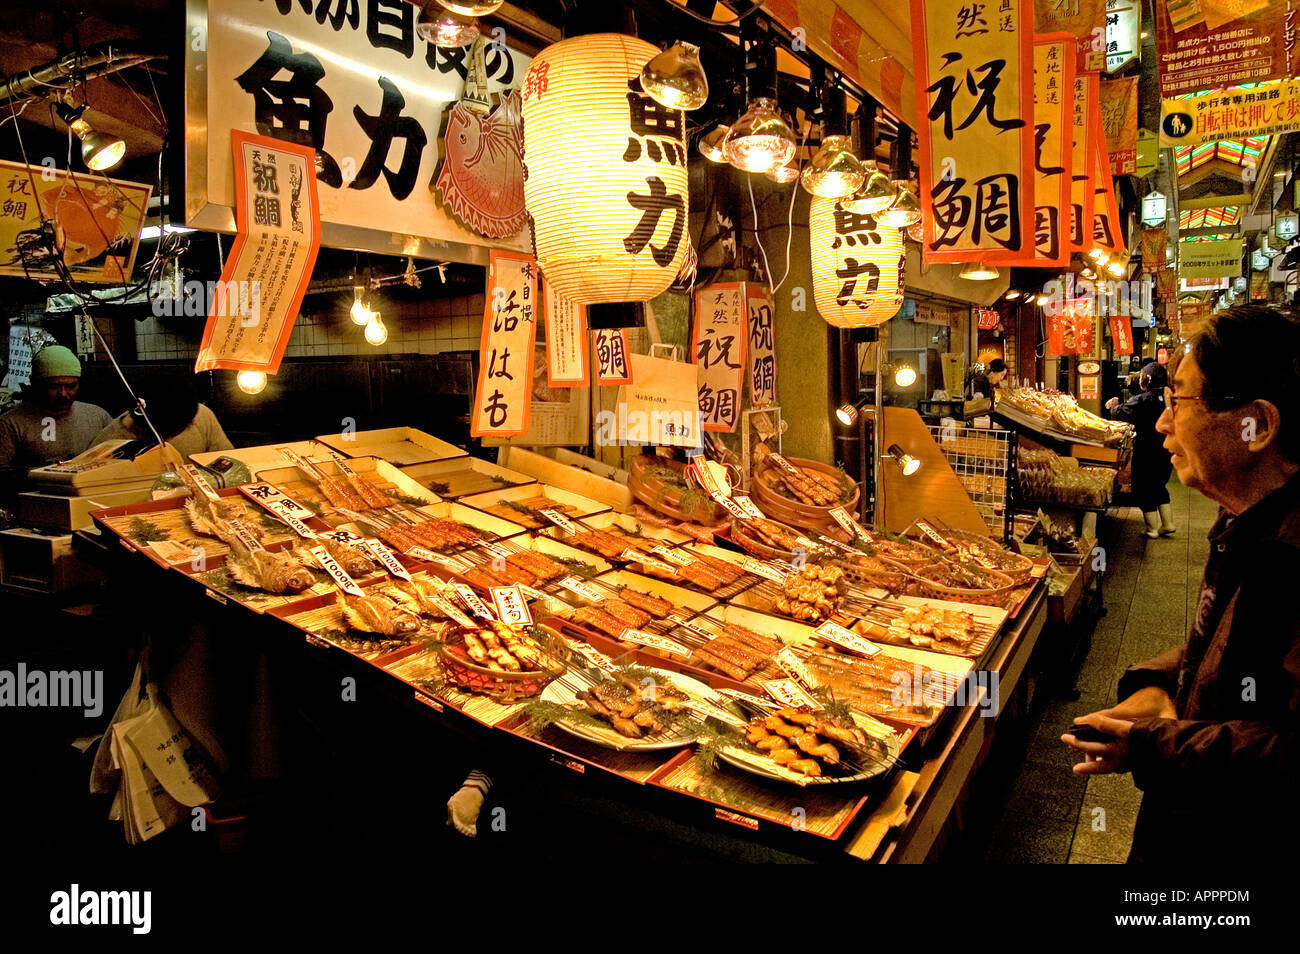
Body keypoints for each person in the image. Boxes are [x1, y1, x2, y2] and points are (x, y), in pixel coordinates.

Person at [1063, 304, 1300, 864]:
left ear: (1257, 425)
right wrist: (1163, 685)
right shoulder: (1249, 519)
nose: (1164, 423)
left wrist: (1151, 744)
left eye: (1178, 401)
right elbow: (1237, 652)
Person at [0, 345, 112, 478]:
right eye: (53, 386)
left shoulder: (97, 417)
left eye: (71, 386)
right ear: (35, 383)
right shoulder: (11, 423)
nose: (63, 394)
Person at [92, 374, 233, 462]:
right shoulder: (105, 448)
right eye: (164, 435)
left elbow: (229, 463)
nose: (167, 441)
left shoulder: (201, 415)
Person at [1105, 362, 1175, 538]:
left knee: (1144, 487)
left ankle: (1152, 529)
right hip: (1166, 449)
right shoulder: (1168, 397)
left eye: (1143, 376)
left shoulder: (1145, 399)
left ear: (1149, 379)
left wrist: (1113, 405)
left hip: (1147, 450)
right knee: (1159, 485)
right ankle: (1168, 524)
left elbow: (1119, 413)